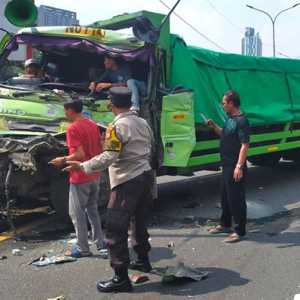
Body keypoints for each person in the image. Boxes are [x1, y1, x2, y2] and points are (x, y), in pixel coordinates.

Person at [64, 87, 154, 293]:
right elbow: (152, 147)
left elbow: (109, 156)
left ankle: (121, 278)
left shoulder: (116, 126)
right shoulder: (142, 122)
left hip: (127, 180)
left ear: (111, 104)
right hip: (146, 176)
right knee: (138, 221)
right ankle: (142, 260)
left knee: (115, 227)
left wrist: (83, 166)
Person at [50, 99, 107, 258]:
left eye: (65, 110)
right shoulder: (92, 124)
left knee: (76, 213)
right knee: (92, 209)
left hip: (80, 175)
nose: (65, 114)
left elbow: (79, 155)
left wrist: (61, 160)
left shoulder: (73, 128)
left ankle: (83, 248)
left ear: (70, 110)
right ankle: (100, 242)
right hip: (94, 173)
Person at [207, 90, 250, 243]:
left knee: (236, 199)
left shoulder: (242, 121)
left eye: (224, 103)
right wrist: (213, 126)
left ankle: (240, 231)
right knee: (225, 197)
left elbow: (245, 145)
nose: (222, 105)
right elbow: (223, 134)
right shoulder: (229, 119)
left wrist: (239, 166)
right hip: (226, 165)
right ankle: (225, 224)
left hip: (234, 166)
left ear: (231, 103)